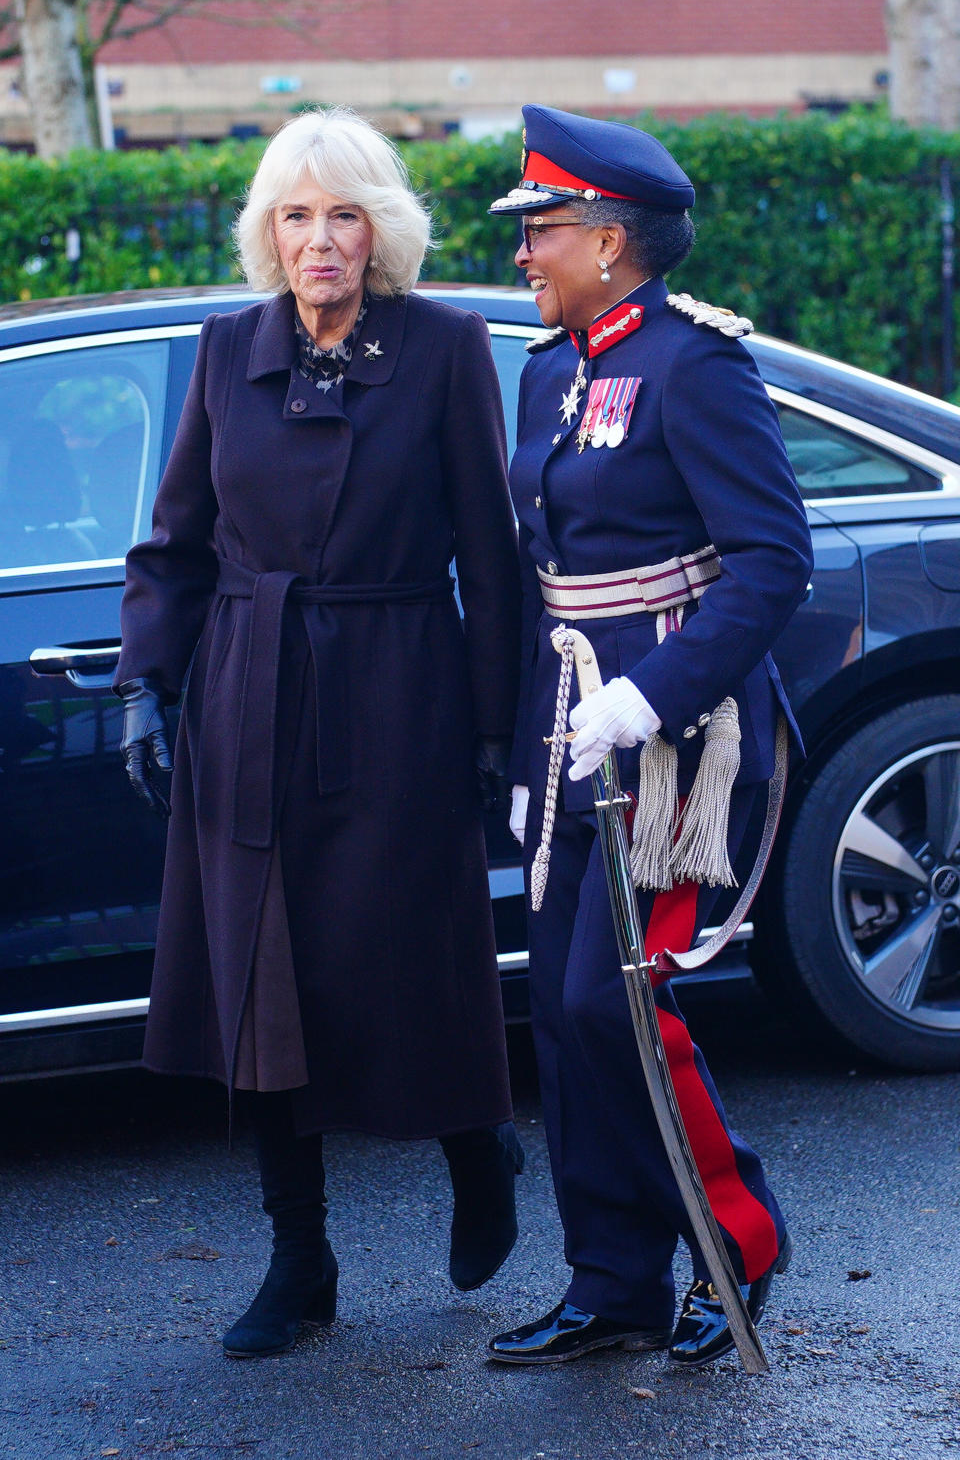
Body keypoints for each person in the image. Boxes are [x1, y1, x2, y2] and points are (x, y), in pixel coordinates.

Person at [115, 108, 523, 1359]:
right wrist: (148, 680)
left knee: (414, 951)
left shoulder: (445, 348)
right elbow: (175, 542)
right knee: (261, 976)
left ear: (379, 230)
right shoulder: (225, 347)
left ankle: (480, 1144)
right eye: (295, 215)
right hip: (249, 690)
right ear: (269, 234)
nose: (319, 239)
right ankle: (301, 1259)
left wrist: (499, 732)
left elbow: (493, 563)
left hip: (401, 684)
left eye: (343, 213)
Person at [485, 104, 814, 1369]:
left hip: (675, 737)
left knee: (616, 1004)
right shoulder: (548, 367)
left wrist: (653, 695)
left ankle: (737, 1235)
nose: (523, 255)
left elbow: (773, 561)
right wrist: (531, 748)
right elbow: (545, 575)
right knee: (562, 1019)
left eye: (542, 232)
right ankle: (612, 1280)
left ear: (611, 240)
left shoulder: (696, 365)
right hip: (571, 727)